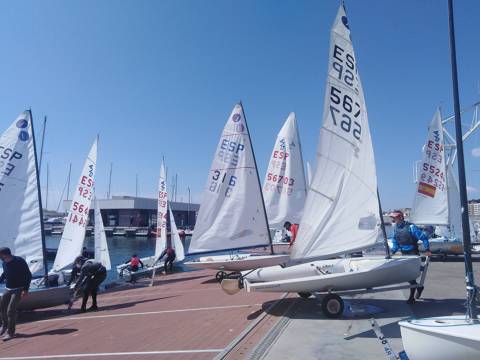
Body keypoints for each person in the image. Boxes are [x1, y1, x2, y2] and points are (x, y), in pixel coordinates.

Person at [389, 210, 432, 304]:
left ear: (400, 217)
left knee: (410, 276)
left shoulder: (411, 227)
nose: (393, 219)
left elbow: (423, 238)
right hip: (404, 255)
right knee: (408, 277)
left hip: (413, 254)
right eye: (392, 218)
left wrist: (427, 250)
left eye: (394, 217)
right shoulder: (395, 229)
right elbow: (395, 243)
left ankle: (412, 297)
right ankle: (419, 287)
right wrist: (392, 252)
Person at [0, 247, 32, 341]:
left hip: (19, 289)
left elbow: (28, 275)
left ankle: (10, 332)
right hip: (8, 288)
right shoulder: (4, 262)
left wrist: (25, 290)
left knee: (11, 310)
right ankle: (4, 326)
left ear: (5, 254)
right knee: (2, 307)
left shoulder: (19, 261)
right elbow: (5, 274)